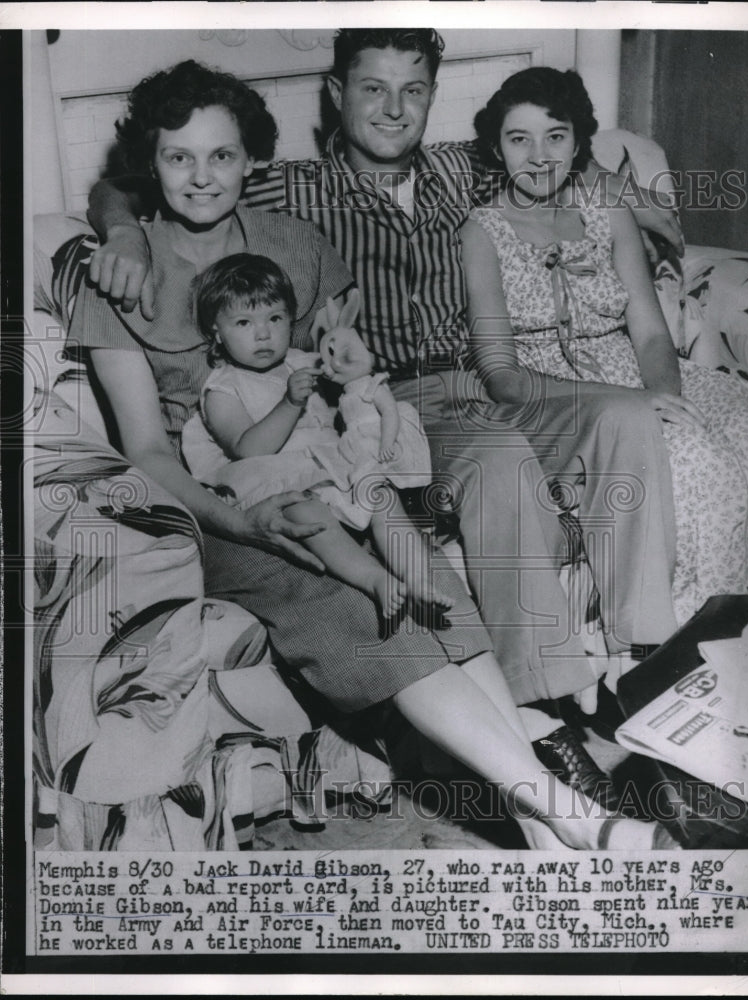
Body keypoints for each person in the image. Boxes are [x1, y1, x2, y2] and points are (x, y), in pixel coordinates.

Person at [67, 58, 678, 850]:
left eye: (220, 155)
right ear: (150, 164)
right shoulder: (119, 276)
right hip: (218, 503)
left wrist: (357, 395)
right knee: (365, 609)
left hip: (324, 472)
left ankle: (542, 826)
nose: (201, 176)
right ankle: (576, 819)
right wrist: (241, 524)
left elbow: (338, 370)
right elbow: (148, 451)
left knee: (428, 586)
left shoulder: (292, 238)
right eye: (177, 157)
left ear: (250, 161)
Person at [462, 66, 748, 626]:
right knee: (702, 462)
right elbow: (501, 373)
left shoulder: (606, 211)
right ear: (495, 148)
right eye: (518, 138)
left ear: (578, 142)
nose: (538, 155)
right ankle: (691, 627)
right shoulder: (482, 232)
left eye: (555, 136)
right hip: (555, 394)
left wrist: (662, 397)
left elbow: (651, 331)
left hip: (638, 369)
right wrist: (628, 407)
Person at [182, 252, 451, 619]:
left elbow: (352, 382)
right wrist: (290, 402)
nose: (263, 334)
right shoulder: (224, 389)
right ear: (217, 330)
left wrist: (352, 366)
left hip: (331, 465)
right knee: (308, 514)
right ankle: (373, 578)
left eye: (275, 318)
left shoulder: (303, 361)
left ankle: (418, 576)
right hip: (277, 479)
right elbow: (248, 449)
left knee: (380, 492)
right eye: (244, 322)